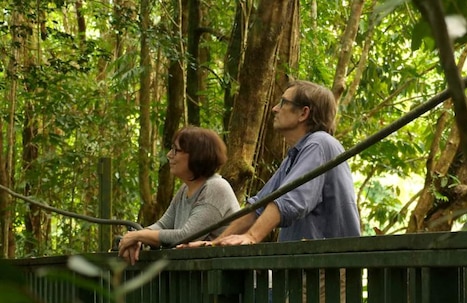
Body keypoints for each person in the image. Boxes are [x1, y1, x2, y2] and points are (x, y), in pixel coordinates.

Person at [190, 79, 360, 247]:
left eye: (283, 102)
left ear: (303, 113)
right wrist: (215, 243)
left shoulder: (319, 143)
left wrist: (251, 236)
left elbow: (290, 199)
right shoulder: (294, 157)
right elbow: (258, 206)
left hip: (329, 268)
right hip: (307, 265)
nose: (274, 109)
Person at [117, 126, 240, 265]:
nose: (169, 155)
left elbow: (186, 236)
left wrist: (138, 235)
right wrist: (138, 240)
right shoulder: (185, 189)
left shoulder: (215, 187)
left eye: (176, 150)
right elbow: (163, 225)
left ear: (196, 155)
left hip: (232, 279)